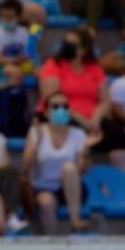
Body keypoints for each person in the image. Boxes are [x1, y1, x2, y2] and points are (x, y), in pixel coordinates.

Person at [38, 27, 125, 177]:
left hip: (92, 118)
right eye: (66, 42)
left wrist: (95, 119)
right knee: (79, 136)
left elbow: (105, 101)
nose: (66, 46)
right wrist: (83, 121)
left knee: (120, 137)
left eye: (72, 44)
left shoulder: (94, 68)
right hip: (64, 115)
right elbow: (52, 100)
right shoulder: (53, 65)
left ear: (83, 50)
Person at [24, 92, 90, 234]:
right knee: (46, 203)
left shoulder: (79, 134)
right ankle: (53, 244)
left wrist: (85, 154)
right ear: (46, 112)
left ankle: (75, 220)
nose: (61, 110)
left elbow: (81, 171)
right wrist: (37, 144)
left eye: (65, 106)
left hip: (72, 189)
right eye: (55, 106)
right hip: (43, 187)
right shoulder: (36, 132)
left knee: (69, 167)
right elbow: (26, 167)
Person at [0, 0, 36, 87]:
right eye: (3, 16)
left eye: (9, 17)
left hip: (21, 63)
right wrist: (16, 60)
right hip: (0, 67)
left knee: (40, 72)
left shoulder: (23, 32)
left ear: (18, 17)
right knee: (16, 72)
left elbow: (28, 54)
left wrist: (25, 58)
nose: (6, 20)